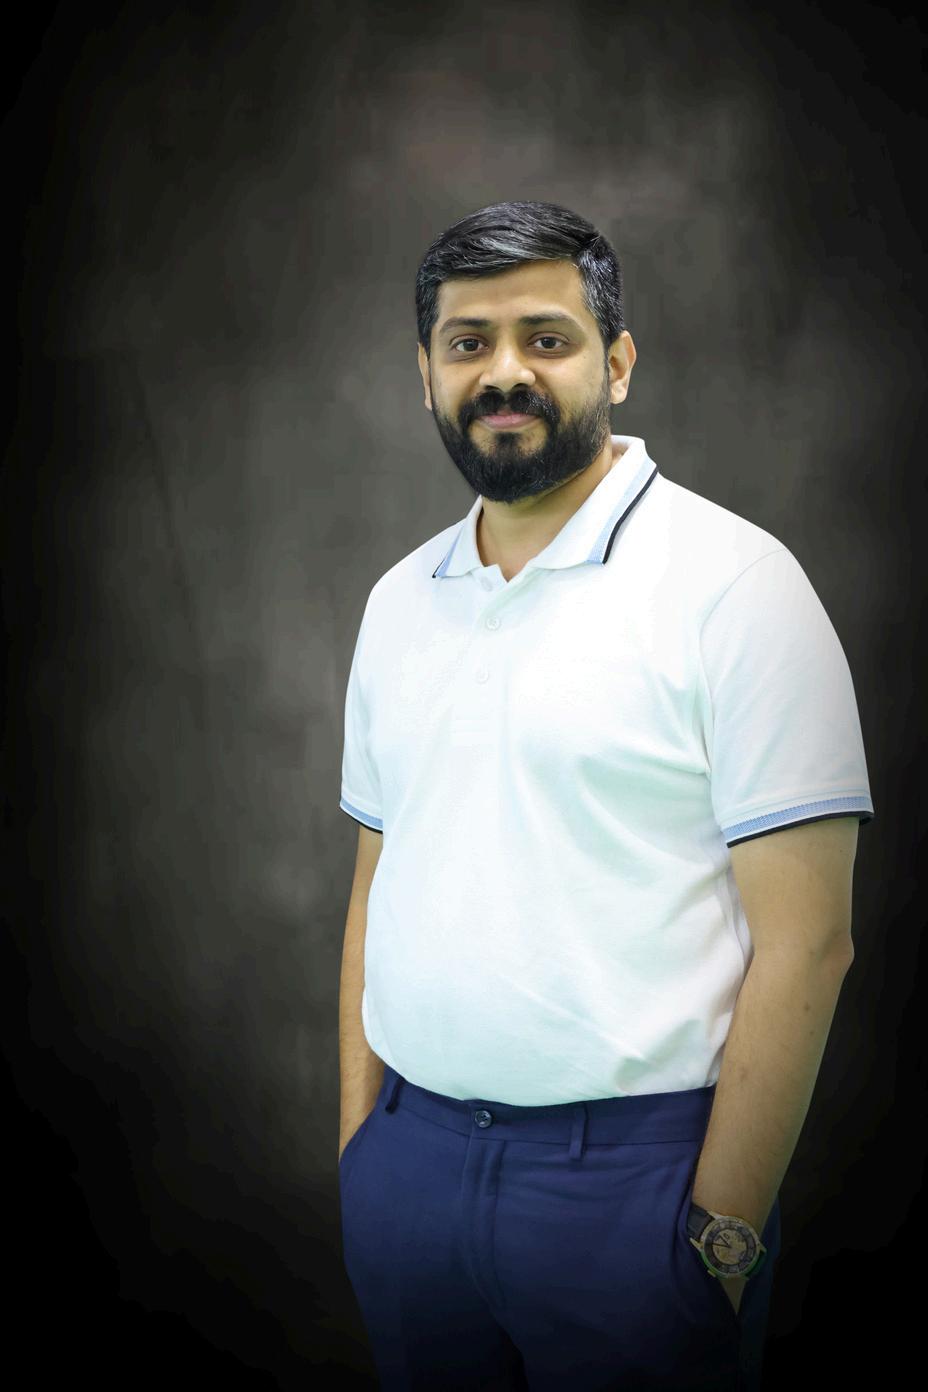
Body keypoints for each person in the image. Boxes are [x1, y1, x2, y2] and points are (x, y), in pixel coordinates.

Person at [336, 200, 874, 1391]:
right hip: (409, 1176)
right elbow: (378, 884)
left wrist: (719, 1238)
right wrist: (361, 1154)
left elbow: (810, 942)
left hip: (636, 1192)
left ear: (617, 363)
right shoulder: (397, 602)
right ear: (424, 375)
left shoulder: (738, 587)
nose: (504, 372)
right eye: (467, 343)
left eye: (547, 337)